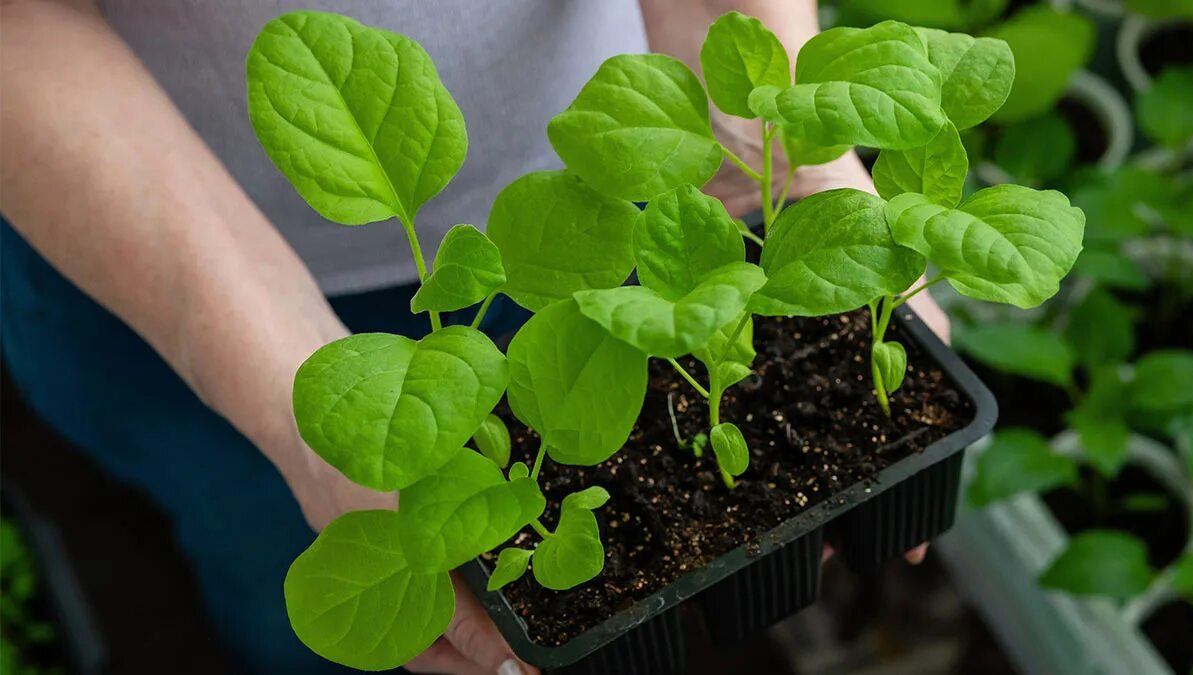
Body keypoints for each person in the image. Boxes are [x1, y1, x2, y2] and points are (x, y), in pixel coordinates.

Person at [1, 1, 948, 673]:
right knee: (275, 568)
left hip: (610, 187)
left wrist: (777, 160)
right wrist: (280, 382)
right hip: (156, 253)